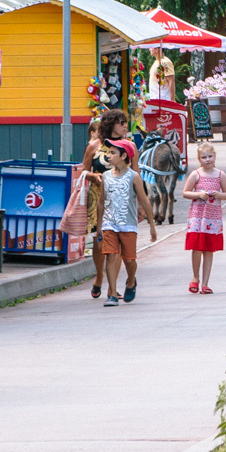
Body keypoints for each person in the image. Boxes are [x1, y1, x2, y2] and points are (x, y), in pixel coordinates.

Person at [79, 110, 140, 299]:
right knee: (99, 244)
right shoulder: (94, 146)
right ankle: (99, 276)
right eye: (121, 122)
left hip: (122, 201)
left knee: (118, 246)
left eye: (125, 122)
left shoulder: (130, 146)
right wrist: (93, 176)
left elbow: (136, 175)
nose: (124, 126)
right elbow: (83, 170)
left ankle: (113, 286)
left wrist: (140, 205)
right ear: (110, 124)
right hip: (99, 199)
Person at [87, 143, 152, 306]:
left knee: (129, 259)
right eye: (108, 152)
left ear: (123, 156)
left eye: (113, 153)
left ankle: (131, 281)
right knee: (111, 255)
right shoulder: (106, 176)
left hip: (128, 224)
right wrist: (99, 226)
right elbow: (101, 202)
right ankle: (113, 294)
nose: (109, 156)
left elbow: (143, 199)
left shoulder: (133, 177)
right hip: (110, 224)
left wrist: (152, 225)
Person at [180, 143, 226, 294]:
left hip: (212, 218)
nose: (207, 160)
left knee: (209, 250)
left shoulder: (220, 175)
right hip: (197, 216)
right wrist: (198, 195)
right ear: (199, 159)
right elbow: (185, 192)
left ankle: (206, 283)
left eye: (210, 156)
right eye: (204, 157)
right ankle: (195, 277)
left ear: (215, 157)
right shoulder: (196, 174)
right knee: (196, 248)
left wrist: (218, 195)